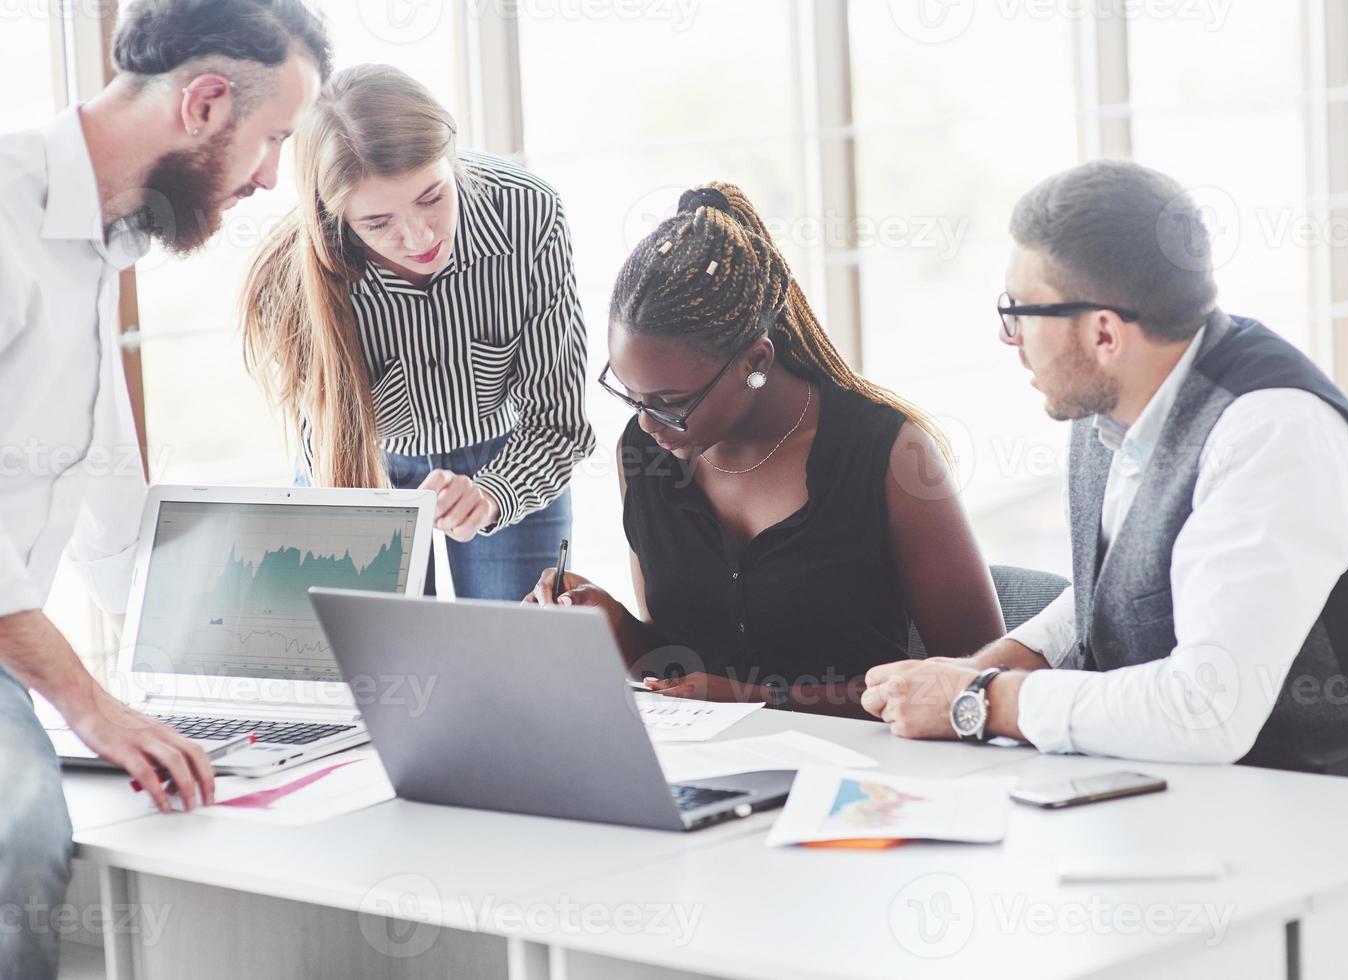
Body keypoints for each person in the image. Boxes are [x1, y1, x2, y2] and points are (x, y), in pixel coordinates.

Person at [863, 160, 1348, 787]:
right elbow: (1129, 572)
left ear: (1103, 334)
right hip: (1195, 793)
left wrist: (985, 704)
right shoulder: (1111, 393)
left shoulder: (1274, 432)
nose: (1005, 335)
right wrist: (993, 667)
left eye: (1019, 310)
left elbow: (1207, 710)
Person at [0, 0, 329, 974]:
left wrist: (212, 667)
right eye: (271, 140)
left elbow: (98, 492)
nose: (272, 176)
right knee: (19, 829)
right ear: (206, 103)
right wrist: (93, 705)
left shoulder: (101, 245)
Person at [526, 183, 1006, 717]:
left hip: (866, 775)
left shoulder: (886, 453)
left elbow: (976, 678)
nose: (647, 423)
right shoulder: (645, 454)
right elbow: (681, 666)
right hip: (710, 774)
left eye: (670, 401)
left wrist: (761, 701)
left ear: (755, 361)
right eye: (631, 396)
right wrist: (610, 624)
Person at [241, 64, 593, 600]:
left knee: (519, 660)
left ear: (449, 155)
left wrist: (494, 493)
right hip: (363, 467)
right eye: (378, 223)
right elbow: (326, 450)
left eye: (432, 197)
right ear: (332, 217)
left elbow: (560, 423)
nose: (419, 236)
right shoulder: (290, 274)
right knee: (383, 665)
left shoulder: (529, 213)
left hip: (512, 451)